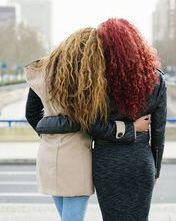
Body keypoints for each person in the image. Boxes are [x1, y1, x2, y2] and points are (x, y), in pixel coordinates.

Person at [25, 26, 150, 221]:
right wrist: (131, 128)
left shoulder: (43, 71)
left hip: (47, 155)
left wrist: (48, 132)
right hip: (76, 158)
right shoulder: (81, 79)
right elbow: (92, 124)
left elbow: (31, 114)